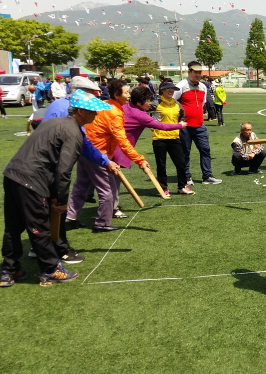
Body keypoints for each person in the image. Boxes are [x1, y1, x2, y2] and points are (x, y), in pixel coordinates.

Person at [0, 90, 113, 288]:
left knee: (13, 227)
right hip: (31, 181)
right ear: (79, 111)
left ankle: (8, 270)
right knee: (39, 228)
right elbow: (64, 171)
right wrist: (60, 201)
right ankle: (51, 269)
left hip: (12, 175)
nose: (97, 115)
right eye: (93, 111)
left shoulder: (54, 122)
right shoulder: (73, 132)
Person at [43, 76, 120, 261]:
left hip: (45, 161)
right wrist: (105, 161)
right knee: (55, 204)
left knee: (50, 203)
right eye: (90, 95)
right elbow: (83, 143)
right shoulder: (68, 111)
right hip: (51, 163)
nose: (94, 108)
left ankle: (45, 244)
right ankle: (53, 247)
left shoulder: (60, 105)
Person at [66, 79, 151, 232]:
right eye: (126, 92)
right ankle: (102, 222)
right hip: (98, 154)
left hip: (85, 150)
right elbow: (122, 140)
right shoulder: (114, 112)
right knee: (108, 189)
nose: (129, 95)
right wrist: (139, 160)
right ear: (116, 94)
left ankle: (70, 217)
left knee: (81, 186)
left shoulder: (103, 104)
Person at [112, 86, 187, 198]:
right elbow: (160, 125)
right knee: (109, 182)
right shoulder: (140, 114)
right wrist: (179, 125)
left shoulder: (125, 107)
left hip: (107, 145)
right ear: (138, 102)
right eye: (147, 100)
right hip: (114, 147)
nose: (150, 103)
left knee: (90, 181)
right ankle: (112, 209)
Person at [175, 61, 222, 185]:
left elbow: (202, 105)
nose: (198, 74)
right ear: (189, 72)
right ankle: (186, 177)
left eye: (199, 72)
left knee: (205, 150)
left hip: (200, 125)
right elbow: (171, 102)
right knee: (185, 152)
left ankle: (207, 176)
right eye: (195, 72)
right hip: (185, 126)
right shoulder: (181, 85)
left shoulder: (203, 87)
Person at [153, 80, 194, 195]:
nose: (171, 91)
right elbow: (145, 114)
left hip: (174, 138)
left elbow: (182, 116)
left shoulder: (177, 104)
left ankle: (182, 186)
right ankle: (163, 188)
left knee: (180, 163)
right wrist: (151, 124)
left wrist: (181, 122)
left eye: (172, 89)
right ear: (162, 90)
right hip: (159, 138)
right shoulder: (156, 103)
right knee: (161, 165)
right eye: (168, 88)